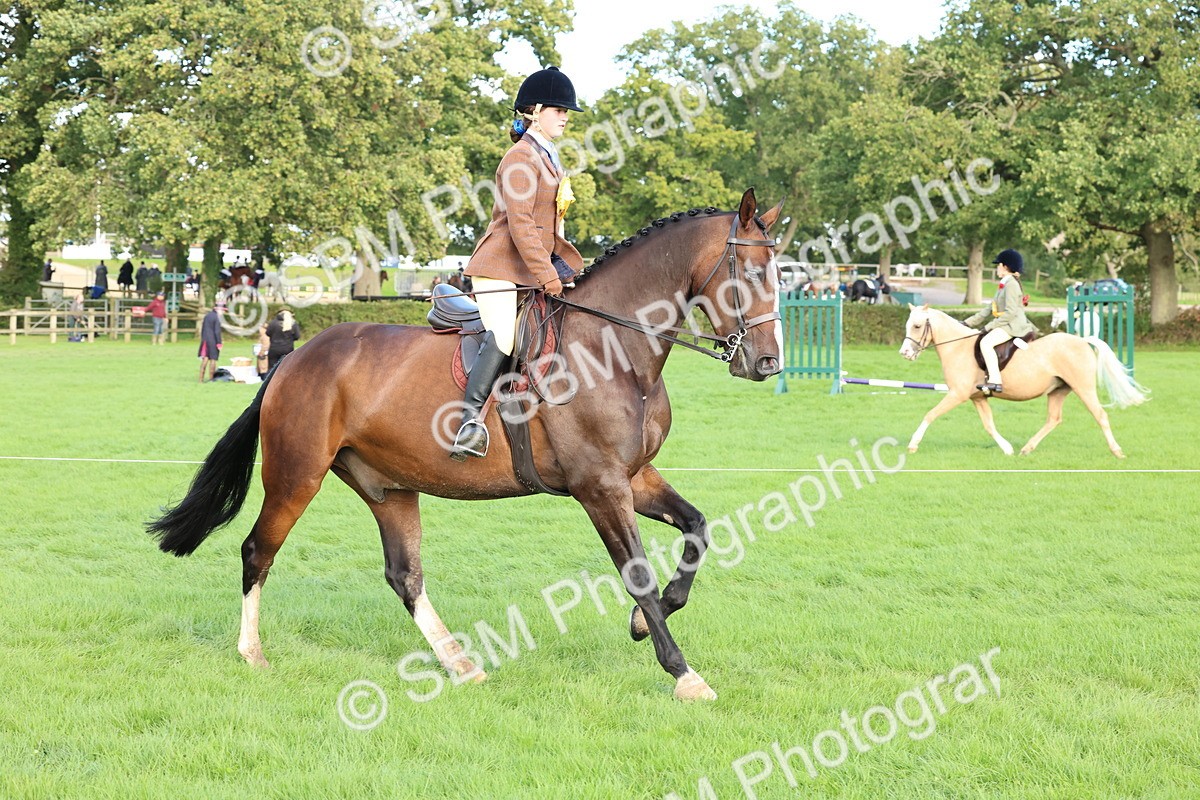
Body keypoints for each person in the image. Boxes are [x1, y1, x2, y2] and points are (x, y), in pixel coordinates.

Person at [452, 66, 586, 460]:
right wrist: (549, 277)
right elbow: (522, 225)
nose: (565, 116)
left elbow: (552, 229)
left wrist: (567, 269)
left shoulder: (550, 158)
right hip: (499, 268)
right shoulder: (520, 157)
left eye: (567, 111)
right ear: (536, 110)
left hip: (530, 269)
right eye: (559, 109)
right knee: (506, 336)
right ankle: (468, 423)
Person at [964, 249, 1036, 394]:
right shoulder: (1004, 284)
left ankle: (995, 381)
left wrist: (988, 327)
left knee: (986, 342)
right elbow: (989, 308)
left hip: (1014, 325)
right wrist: (967, 323)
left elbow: (1010, 313)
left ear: (1004, 266)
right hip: (1007, 323)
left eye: (998, 265)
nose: (997, 268)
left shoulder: (1011, 285)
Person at [199, 302, 224, 382]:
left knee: (205, 358)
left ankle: (201, 379)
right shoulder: (217, 317)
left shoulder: (207, 316)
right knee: (213, 359)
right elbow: (217, 331)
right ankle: (211, 378)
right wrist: (219, 343)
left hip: (205, 340)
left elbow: (203, 329)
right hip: (213, 341)